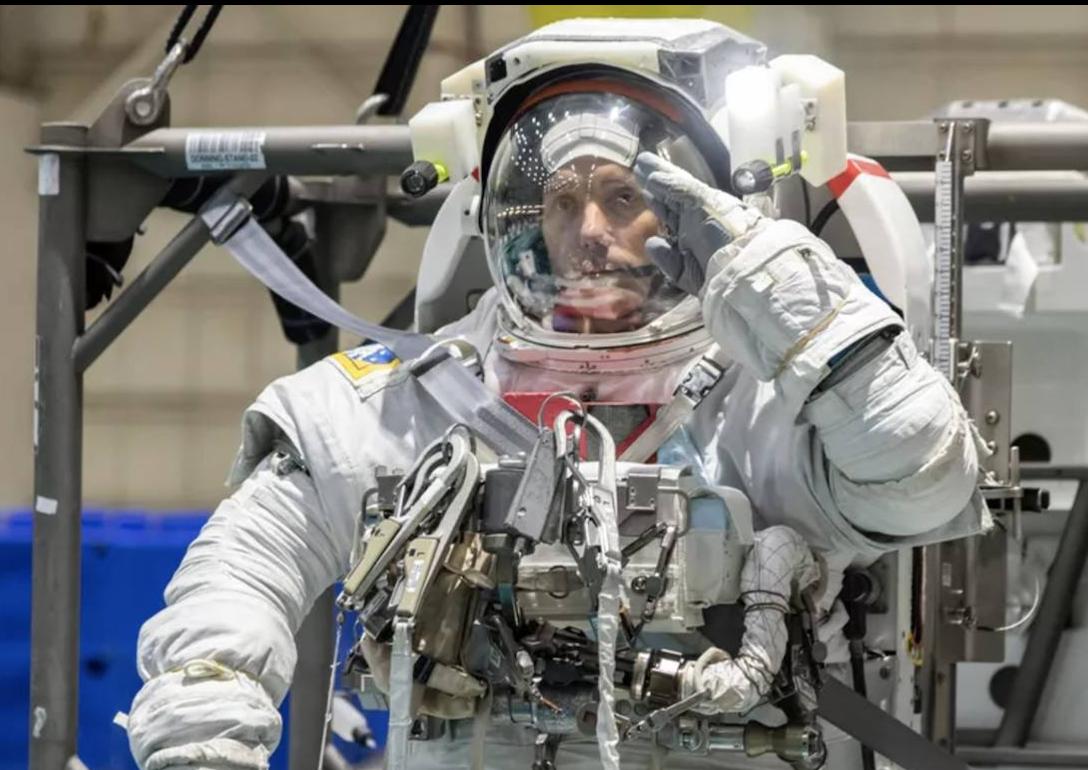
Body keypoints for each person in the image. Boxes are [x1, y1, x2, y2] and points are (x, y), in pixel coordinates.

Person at [126, 18, 986, 770]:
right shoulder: (423, 401)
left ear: (697, 206)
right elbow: (243, 570)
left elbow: (925, 476)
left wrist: (766, 278)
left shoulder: (773, 403)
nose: (589, 235)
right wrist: (207, 726)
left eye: (625, 197)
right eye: (561, 201)